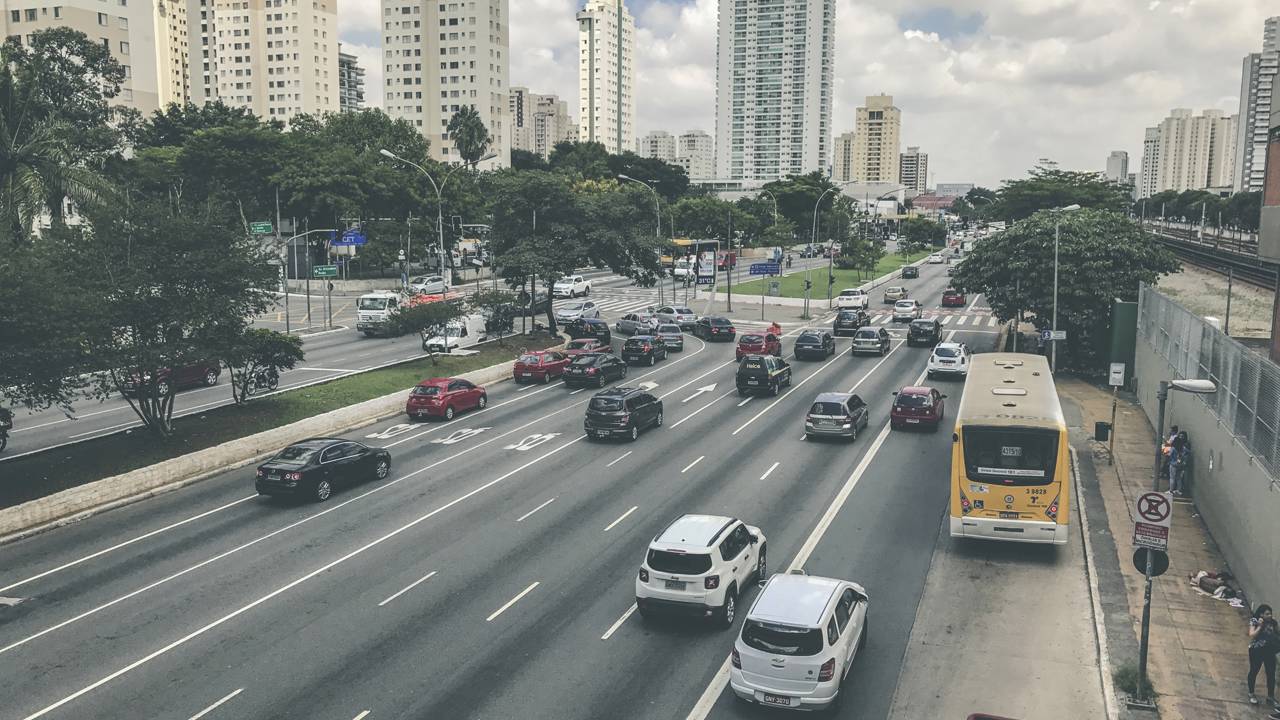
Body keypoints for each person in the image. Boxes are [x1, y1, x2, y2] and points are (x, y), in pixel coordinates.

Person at [1249, 604, 1279, 707]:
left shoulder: (1273, 623)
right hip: (1257, 650)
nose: (1269, 615)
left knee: (1271, 674)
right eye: (1267, 614)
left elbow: (1278, 634)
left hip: (1269, 651)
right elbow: (1252, 634)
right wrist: (1260, 626)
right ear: (1261, 614)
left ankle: (1270, 697)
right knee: (1254, 670)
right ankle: (1251, 693)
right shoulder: (1254, 621)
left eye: (1270, 613)